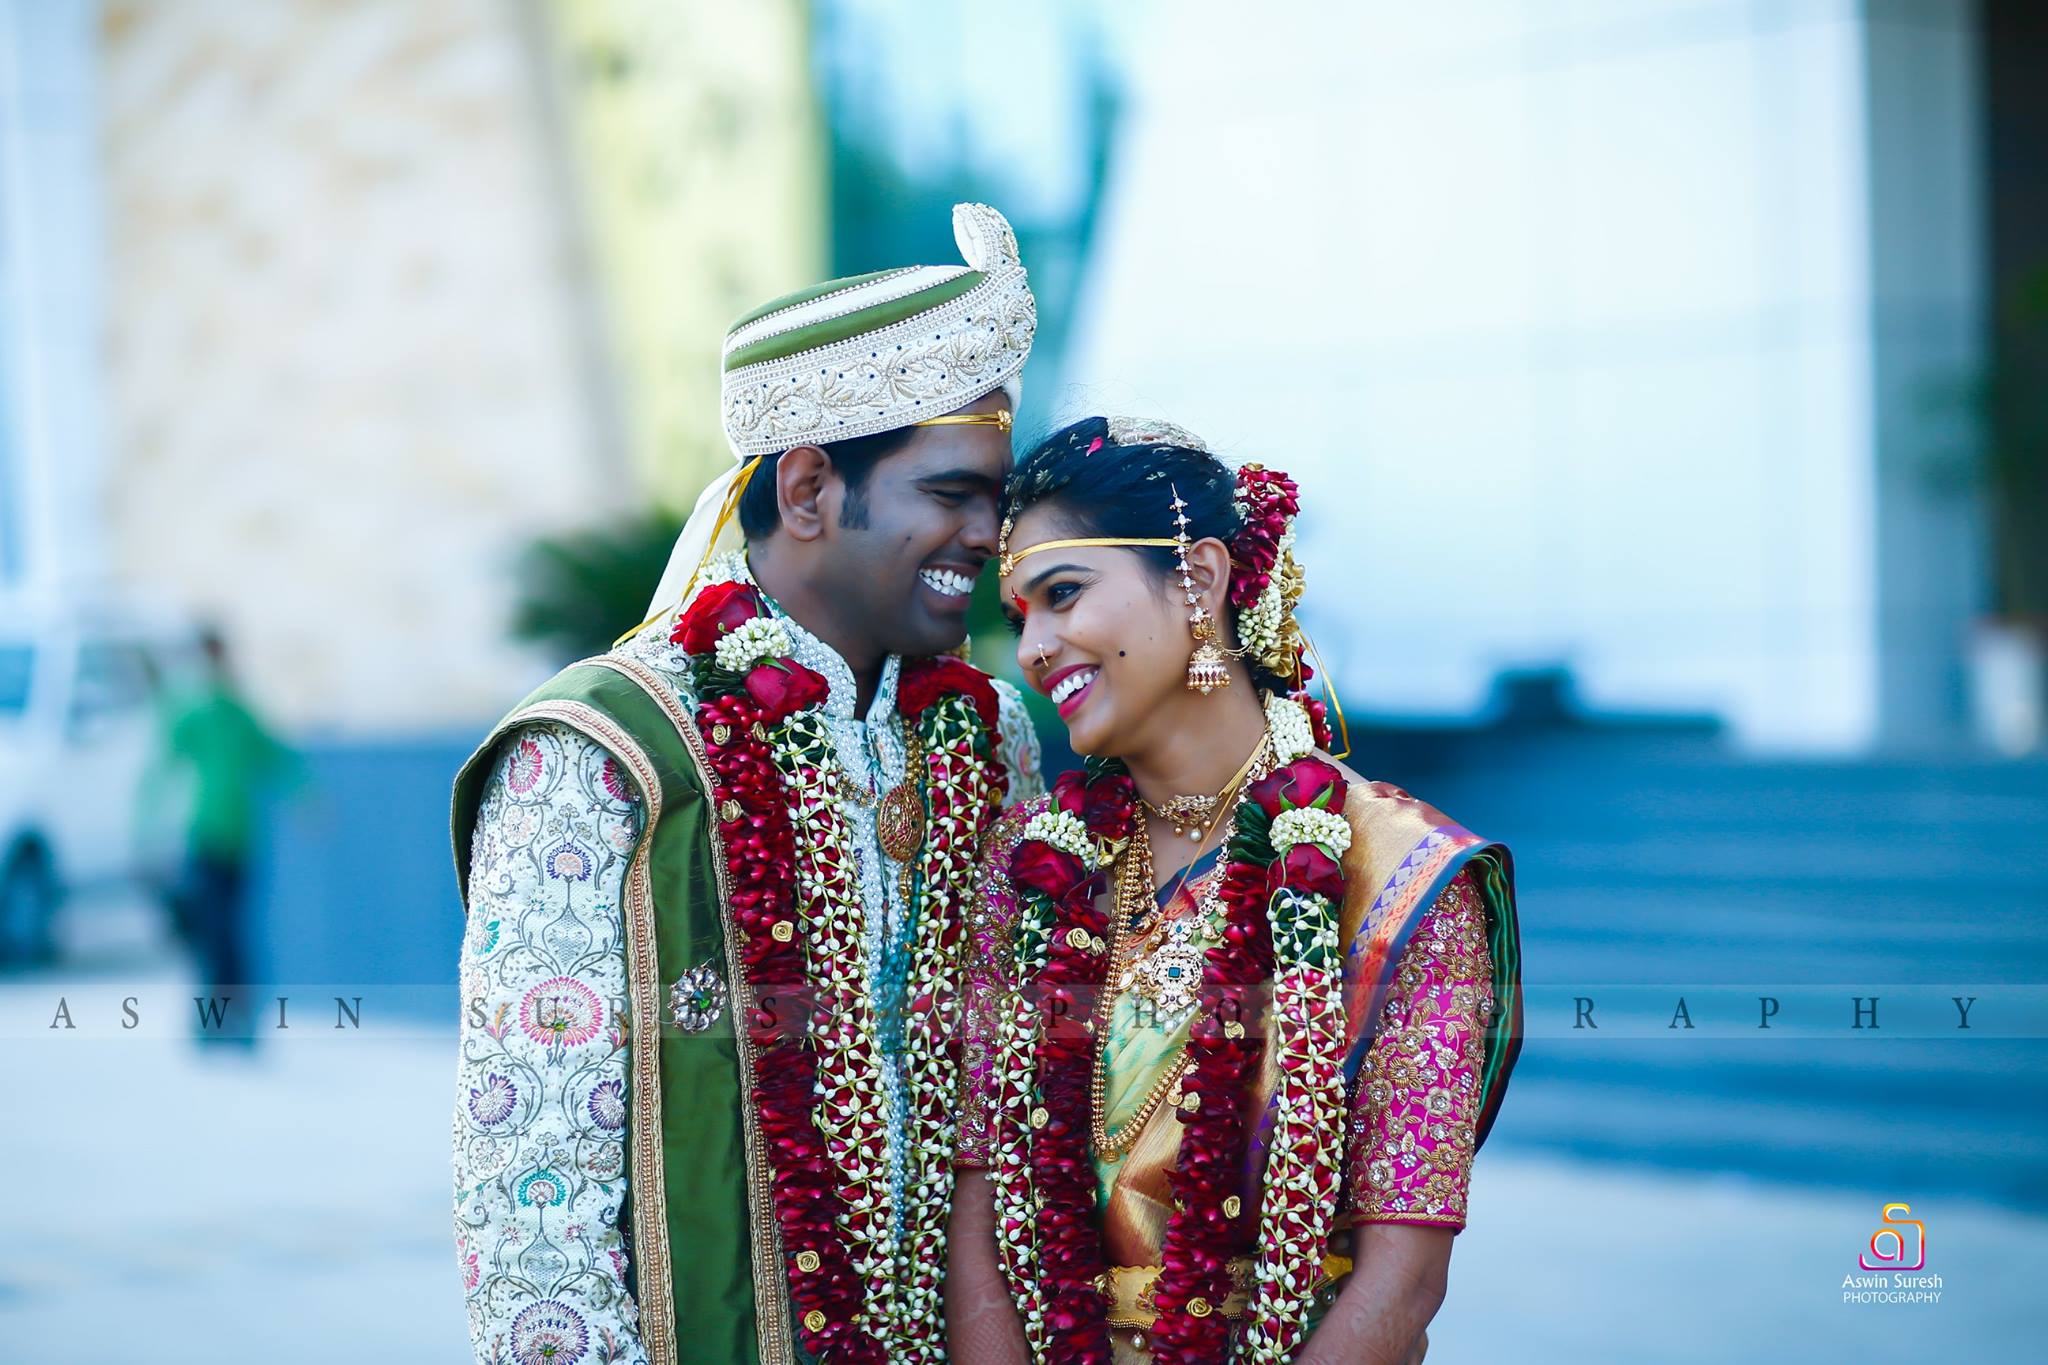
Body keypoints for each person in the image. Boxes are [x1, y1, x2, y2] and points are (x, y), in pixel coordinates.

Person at [450, 204, 1047, 1365]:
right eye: (951, 493)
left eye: (998, 499)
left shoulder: (993, 736)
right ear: (813, 489)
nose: (992, 537)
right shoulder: (604, 750)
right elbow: (531, 1180)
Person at [949, 417, 1525, 1364]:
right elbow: (978, 1203)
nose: (1036, 647)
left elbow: (1403, 1274)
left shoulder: (1402, 876)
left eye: (1062, 594)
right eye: (1020, 617)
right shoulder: (1030, 868)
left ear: (1200, 579)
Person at [159, 627, 299, 1051]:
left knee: (233, 934)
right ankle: (212, 1022)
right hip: (205, 837)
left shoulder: (237, 713)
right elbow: (164, 760)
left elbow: (276, 756)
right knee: (212, 934)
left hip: (239, 839)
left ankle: (237, 1023)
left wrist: (307, 796)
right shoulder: (193, 713)